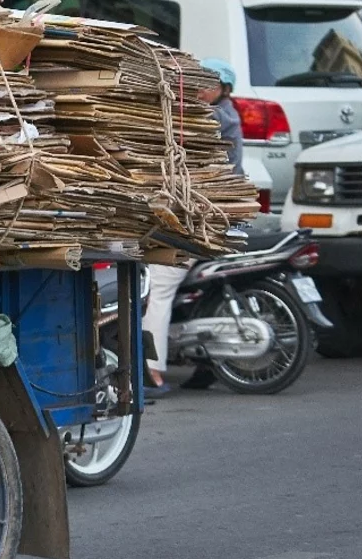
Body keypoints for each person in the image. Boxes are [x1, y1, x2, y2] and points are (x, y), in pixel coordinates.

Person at [143, 58, 244, 394]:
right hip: (217, 216)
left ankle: (150, 369)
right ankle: (204, 366)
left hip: (199, 220)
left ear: (220, 89)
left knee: (159, 286)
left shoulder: (213, 119)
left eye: (203, 84)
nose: (196, 91)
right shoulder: (227, 114)